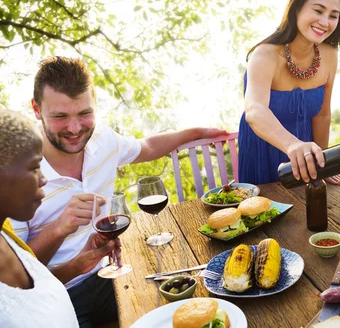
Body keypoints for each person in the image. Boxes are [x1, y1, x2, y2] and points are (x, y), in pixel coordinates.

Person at [9, 56, 229, 327]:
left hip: (111, 278)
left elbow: (145, 147)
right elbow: (16, 278)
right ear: (36, 109)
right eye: (60, 116)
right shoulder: (15, 176)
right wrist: (58, 229)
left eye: (84, 114)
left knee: (197, 303)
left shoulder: (103, 140)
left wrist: (193, 133)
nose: (75, 128)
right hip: (55, 298)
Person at [1, 109, 113, 327]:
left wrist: (78, 264)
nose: (43, 179)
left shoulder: (7, 234)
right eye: (34, 168)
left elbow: (34, 297)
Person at [238, 0, 340, 185]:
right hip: (262, 155)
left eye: (333, 16)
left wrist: (323, 163)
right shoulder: (264, 55)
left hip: (306, 160)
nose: (324, 22)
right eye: (318, 11)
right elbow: (254, 111)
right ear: (297, 7)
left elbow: (322, 115)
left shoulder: (329, 54)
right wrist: (292, 145)